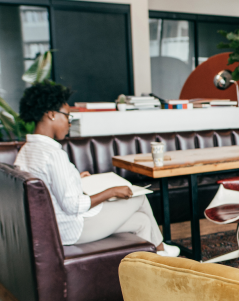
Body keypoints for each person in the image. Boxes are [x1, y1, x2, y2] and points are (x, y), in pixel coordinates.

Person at [14, 81, 179, 256]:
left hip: (56, 225)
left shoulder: (28, 150)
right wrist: (111, 192)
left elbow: (50, 186)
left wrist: (77, 178)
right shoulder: (53, 154)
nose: (69, 124)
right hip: (71, 229)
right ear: (51, 115)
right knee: (139, 197)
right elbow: (73, 205)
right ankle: (161, 248)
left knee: (142, 221)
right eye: (68, 116)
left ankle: (152, 266)